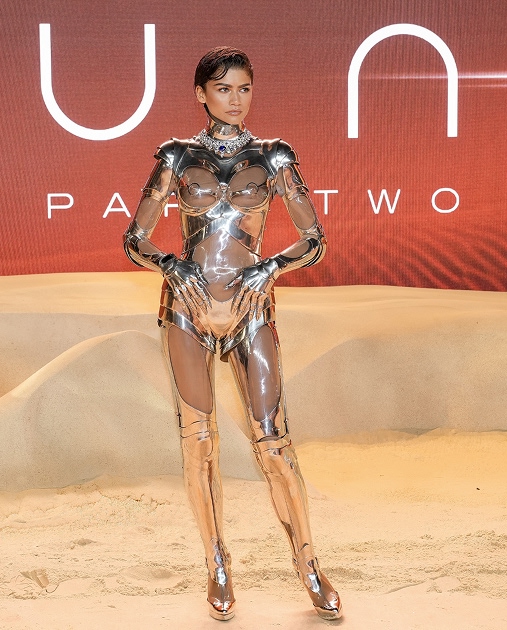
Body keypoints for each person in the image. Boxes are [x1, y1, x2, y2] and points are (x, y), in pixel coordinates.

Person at [123, 46, 340, 621]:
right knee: (199, 443)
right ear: (201, 93)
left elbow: (314, 238)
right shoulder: (176, 156)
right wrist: (172, 265)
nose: (236, 99)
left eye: (244, 88)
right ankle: (216, 563)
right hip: (187, 309)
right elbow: (135, 237)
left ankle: (310, 565)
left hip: (251, 308)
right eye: (223, 89)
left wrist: (268, 269)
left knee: (274, 443)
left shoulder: (273, 157)